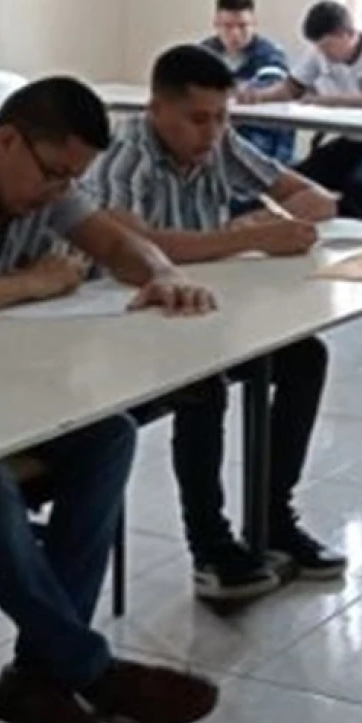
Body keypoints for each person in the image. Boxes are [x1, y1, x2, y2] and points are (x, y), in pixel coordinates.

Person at [0, 77, 219, 723]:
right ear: (6, 141)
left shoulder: (47, 186)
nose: (59, 191)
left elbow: (118, 244)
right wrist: (30, 283)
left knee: (108, 435)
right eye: (54, 174)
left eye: (72, 179)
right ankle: (88, 670)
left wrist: (163, 274)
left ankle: (38, 675)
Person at [85, 44, 345, 602]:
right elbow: (134, 247)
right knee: (202, 383)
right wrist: (243, 237)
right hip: (126, 324)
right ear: (157, 109)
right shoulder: (125, 157)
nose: (212, 132)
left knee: (305, 356)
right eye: (198, 119)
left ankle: (271, 518)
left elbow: (318, 199)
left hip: (205, 309)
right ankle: (211, 548)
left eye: (222, 117)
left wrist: (271, 220)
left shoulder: (218, 143)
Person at [240, 0, 362, 224]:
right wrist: (258, 96)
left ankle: (359, 235)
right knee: (297, 178)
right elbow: (291, 88)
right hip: (354, 140)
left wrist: (329, 101)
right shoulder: (319, 52)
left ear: (348, 34)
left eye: (328, 47)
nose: (324, 54)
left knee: (361, 186)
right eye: (319, 48)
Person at [199, 0, 296, 165]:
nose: (235, 34)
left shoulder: (270, 53)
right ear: (215, 24)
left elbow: (268, 87)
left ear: (254, 23)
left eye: (243, 26)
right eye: (227, 26)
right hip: (217, 134)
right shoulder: (204, 52)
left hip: (261, 137)